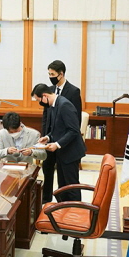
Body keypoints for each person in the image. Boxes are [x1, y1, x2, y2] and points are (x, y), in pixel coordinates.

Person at [31, 84, 86, 202]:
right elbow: (58, 128)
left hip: (71, 152)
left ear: (44, 96)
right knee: (63, 185)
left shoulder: (64, 105)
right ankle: (64, 210)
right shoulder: (54, 105)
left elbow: (73, 130)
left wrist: (57, 144)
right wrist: (48, 137)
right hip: (62, 152)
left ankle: (75, 213)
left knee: (71, 186)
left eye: (38, 100)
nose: (39, 103)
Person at [40, 60, 83, 204]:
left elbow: (75, 122)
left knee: (67, 180)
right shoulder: (49, 91)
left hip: (65, 143)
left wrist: (59, 143)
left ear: (61, 74)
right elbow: (46, 117)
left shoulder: (73, 91)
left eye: (52, 74)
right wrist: (46, 135)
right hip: (51, 140)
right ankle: (46, 202)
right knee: (48, 172)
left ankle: (71, 209)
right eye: (49, 74)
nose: (50, 76)